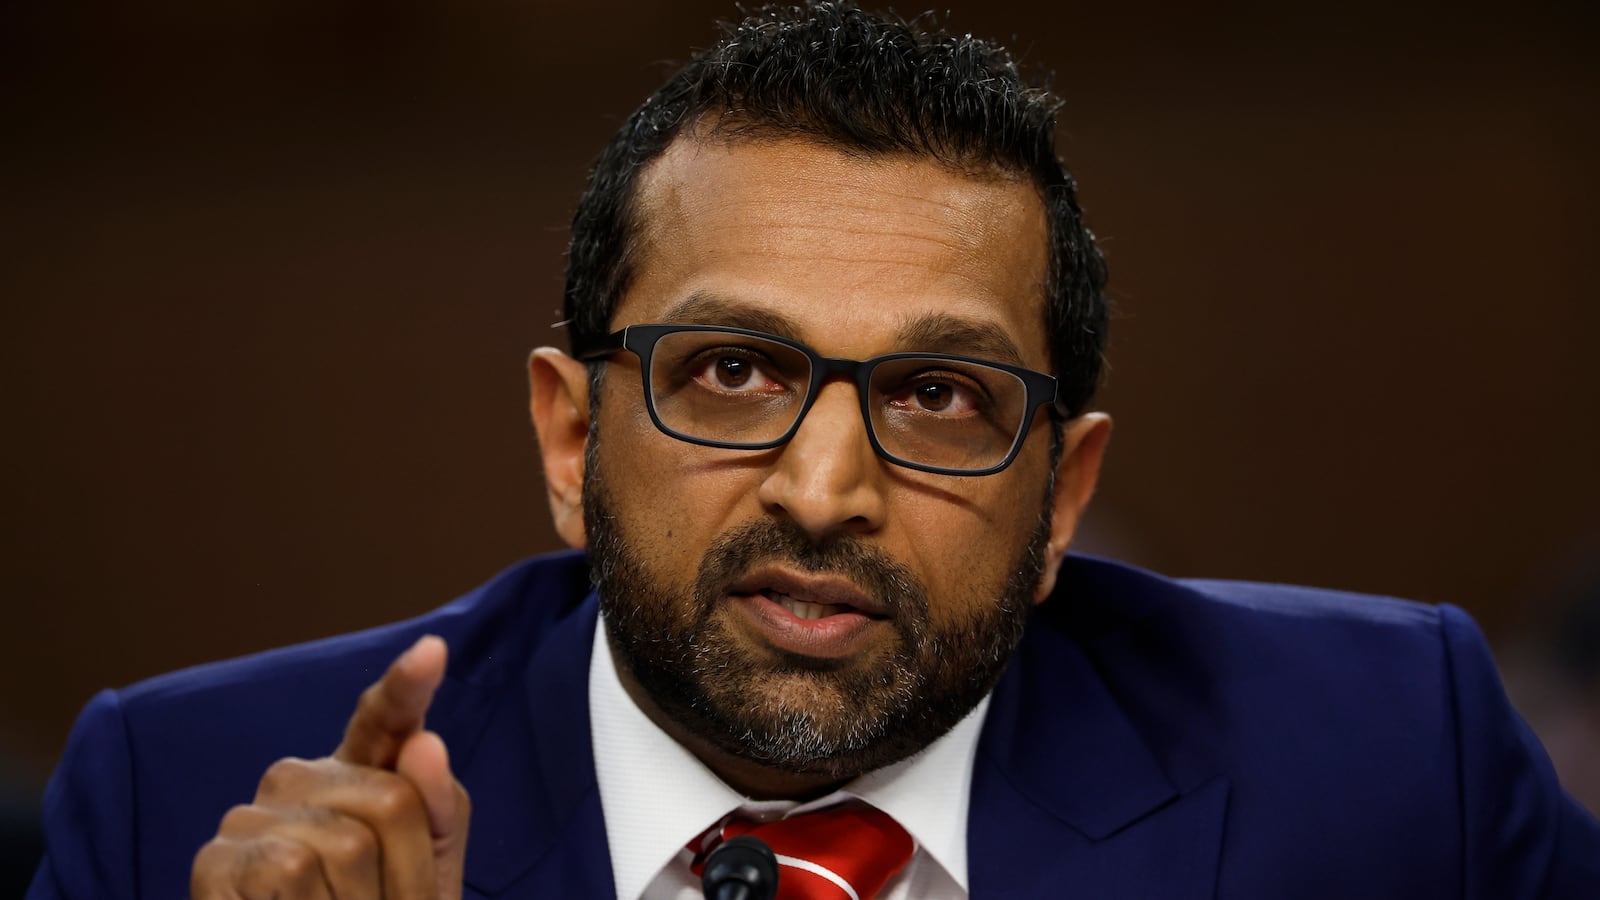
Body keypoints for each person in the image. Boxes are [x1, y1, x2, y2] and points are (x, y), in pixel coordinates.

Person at [27, 2, 1600, 898]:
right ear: (572, 438)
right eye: (727, 371)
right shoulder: (180, 813)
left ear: (1065, 498)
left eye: (938, 399)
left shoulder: (1396, 764)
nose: (826, 487)